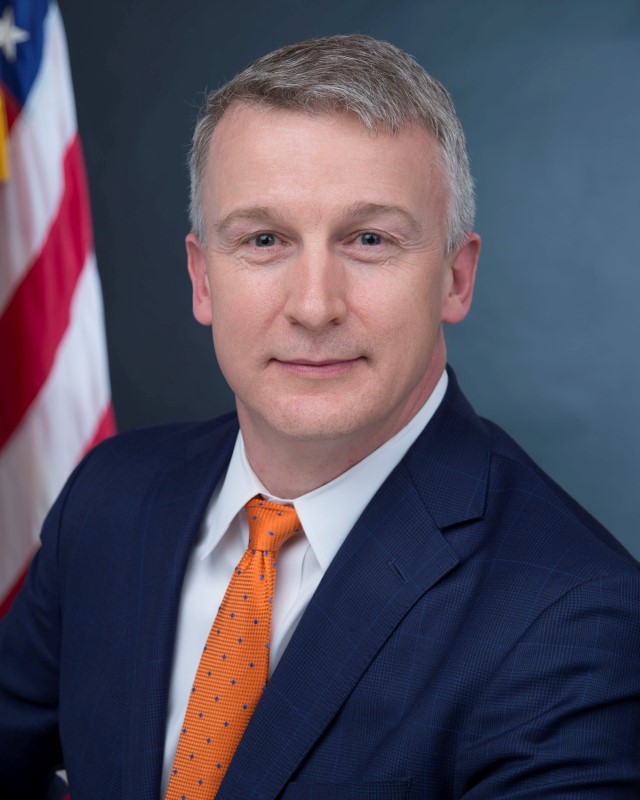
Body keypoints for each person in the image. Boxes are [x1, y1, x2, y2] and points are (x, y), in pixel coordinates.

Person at [1, 34, 639, 800]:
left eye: (369, 240)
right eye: (264, 240)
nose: (313, 306)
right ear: (203, 281)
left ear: (456, 278)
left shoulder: (575, 621)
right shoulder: (112, 497)